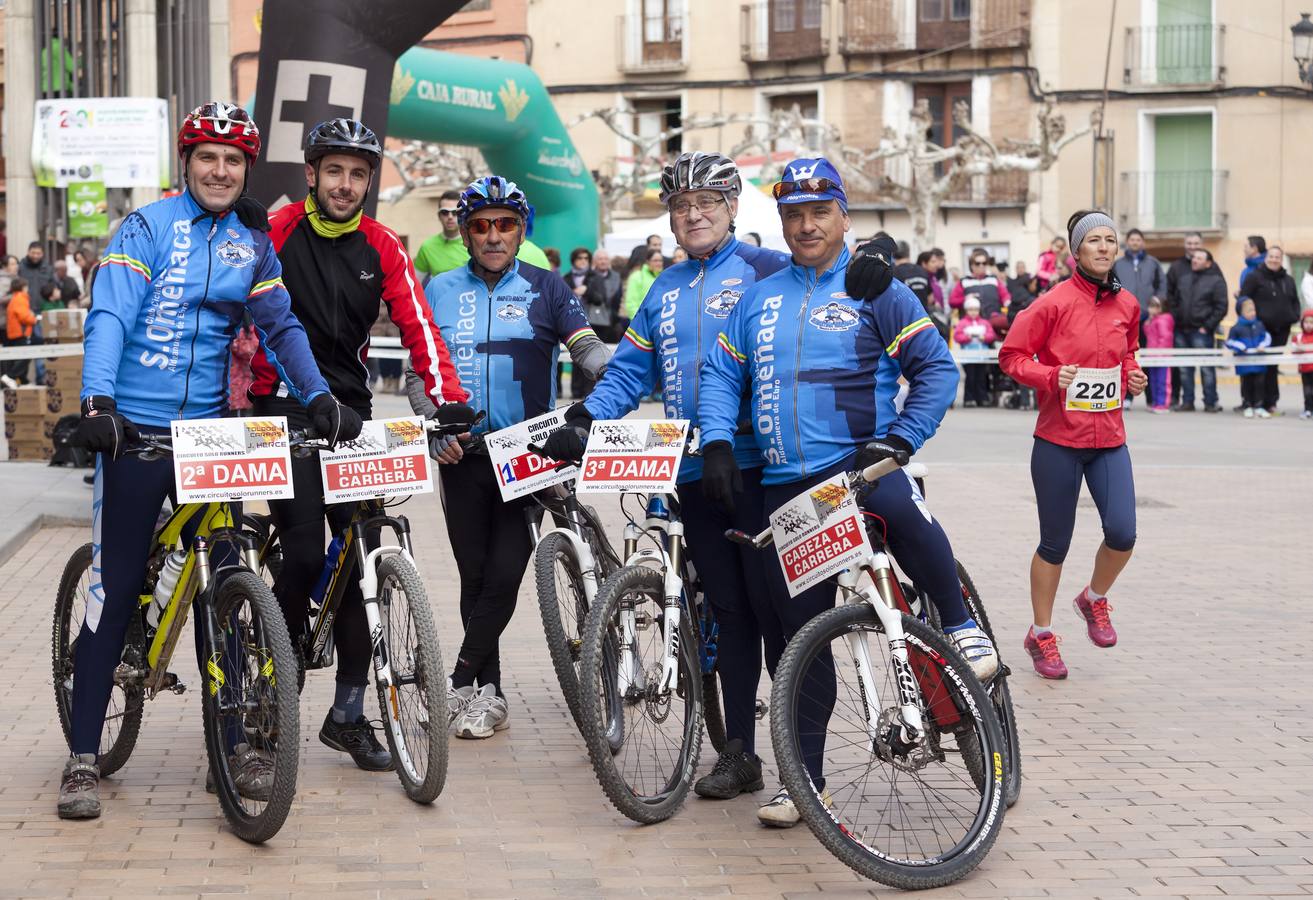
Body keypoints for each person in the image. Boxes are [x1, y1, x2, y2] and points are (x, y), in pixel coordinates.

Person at [539, 151, 896, 806]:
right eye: (680, 205)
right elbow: (627, 373)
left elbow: (826, 262)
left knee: (786, 620)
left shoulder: (764, 266)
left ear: (732, 209)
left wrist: (877, 249)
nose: (693, 214)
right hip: (699, 473)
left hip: (770, 471)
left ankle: (801, 764)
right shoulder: (663, 288)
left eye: (706, 202)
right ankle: (739, 751)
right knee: (731, 614)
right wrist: (587, 417)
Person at [57, 101, 358, 821]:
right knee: (118, 582)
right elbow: (110, 317)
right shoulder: (147, 228)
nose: (220, 170)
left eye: (233, 160)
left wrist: (315, 395)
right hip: (134, 432)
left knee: (231, 576)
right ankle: (82, 758)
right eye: (207, 157)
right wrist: (99, 405)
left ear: (245, 170)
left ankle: (239, 742)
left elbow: (279, 325)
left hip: (210, 437)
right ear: (185, 164)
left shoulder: (249, 244)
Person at [698, 157, 997, 827]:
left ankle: (958, 622)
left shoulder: (874, 287)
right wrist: (717, 439)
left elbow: (934, 370)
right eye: (793, 215)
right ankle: (804, 782)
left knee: (901, 509)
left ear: (843, 217)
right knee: (797, 641)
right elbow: (719, 375)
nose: (806, 225)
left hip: (861, 468)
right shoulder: (758, 298)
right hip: (786, 488)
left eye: (818, 212)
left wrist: (901, 439)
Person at [246, 117, 468, 772]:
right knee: (308, 549)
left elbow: (419, 326)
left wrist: (446, 400)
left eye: (359, 174)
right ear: (311, 174)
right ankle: (266, 699)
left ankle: (347, 713)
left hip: (350, 415)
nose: (345, 184)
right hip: (282, 406)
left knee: (362, 555)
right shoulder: (277, 232)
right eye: (334, 171)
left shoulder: (384, 246)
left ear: (370, 184)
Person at [408, 175, 608, 741]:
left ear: (523, 232)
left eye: (505, 225)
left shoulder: (548, 286)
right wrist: (430, 428)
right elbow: (422, 372)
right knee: (474, 576)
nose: (493, 236)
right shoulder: (439, 288)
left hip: (528, 451)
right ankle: (487, 696)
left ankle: (460, 680)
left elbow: (586, 347)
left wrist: (609, 377)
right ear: (465, 234)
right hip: (462, 452)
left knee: (505, 572)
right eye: (480, 226)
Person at [998, 210, 1147, 680]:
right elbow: (1010, 356)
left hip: (1109, 440)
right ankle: (1041, 634)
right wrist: (1048, 376)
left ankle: (1094, 598)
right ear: (1076, 251)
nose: (1104, 248)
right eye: (1094, 241)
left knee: (1123, 533)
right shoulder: (1051, 304)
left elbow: (1126, 354)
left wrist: (1132, 377)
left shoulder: (1128, 305)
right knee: (1054, 543)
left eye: (1110, 241)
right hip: (1058, 441)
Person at [1238, 245, 1300, 415]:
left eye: (1277, 257)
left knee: (1272, 367)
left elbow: (1295, 301)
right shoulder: (1254, 277)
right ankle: (1252, 402)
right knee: (1257, 367)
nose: (1274, 260)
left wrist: (1294, 316)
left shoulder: (1288, 280)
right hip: (1260, 330)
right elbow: (1244, 299)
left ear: (1281, 259)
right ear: (1266, 258)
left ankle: (1271, 403)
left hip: (1282, 329)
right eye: (1271, 256)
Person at [1171, 248, 1227, 413]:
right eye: (1194, 257)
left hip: (1201, 332)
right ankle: (1187, 402)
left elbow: (1221, 307)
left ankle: (1211, 402)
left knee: (1207, 369)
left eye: (1199, 258)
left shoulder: (1216, 281)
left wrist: (1207, 327)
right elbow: (1174, 300)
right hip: (1181, 330)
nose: (1194, 260)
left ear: (1208, 263)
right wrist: (1176, 318)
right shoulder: (1184, 278)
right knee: (1184, 369)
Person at [1225, 298, 1271, 419]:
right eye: (1249, 311)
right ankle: (1247, 406)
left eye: (1253, 310)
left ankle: (1259, 406)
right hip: (1244, 364)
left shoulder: (1259, 325)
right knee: (1247, 385)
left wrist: (1263, 345)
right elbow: (1229, 342)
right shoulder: (1236, 327)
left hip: (1259, 363)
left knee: (1260, 384)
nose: (1252, 313)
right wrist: (1240, 346)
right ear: (1241, 312)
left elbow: (1266, 337)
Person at [1111, 228, 1163, 331]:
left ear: (1143, 242)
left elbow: (1161, 284)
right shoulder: (1117, 264)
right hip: (1124, 314)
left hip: (1148, 315)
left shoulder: (1153, 263)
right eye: (1132, 240)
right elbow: (1112, 286)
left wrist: (1157, 304)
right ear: (1127, 242)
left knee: (1147, 346)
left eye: (1138, 240)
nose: (1135, 242)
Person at [563, 247, 596, 397]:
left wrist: (586, 291)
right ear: (573, 261)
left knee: (591, 357)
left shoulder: (594, 277)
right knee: (575, 355)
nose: (583, 261)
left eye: (585, 258)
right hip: (572, 321)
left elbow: (602, 298)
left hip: (593, 322)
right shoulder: (566, 277)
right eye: (579, 258)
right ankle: (575, 391)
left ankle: (589, 391)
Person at [412, 190, 467, 277]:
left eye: (454, 212)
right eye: (445, 212)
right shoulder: (427, 247)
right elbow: (415, 283)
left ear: (462, 215)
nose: (450, 217)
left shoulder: (473, 244)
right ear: (439, 216)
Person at [954, 295, 996, 407]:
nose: (973, 312)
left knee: (981, 377)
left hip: (982, 356)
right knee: (970, 377)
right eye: (971, 310)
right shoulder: (962, 323)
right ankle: (969, 398)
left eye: (975, 310)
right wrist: (967, 337)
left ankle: (982, 398)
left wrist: (985, 337)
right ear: (966, 310)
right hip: (968, 356)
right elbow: (957, 336)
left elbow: (991, 335)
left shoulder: (984, 322)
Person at [950, 249, 1010, 318]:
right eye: (977, 263)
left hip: (993, 323)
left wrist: (1009, 303)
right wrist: (965, 299)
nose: (981, 266)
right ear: (971, 265)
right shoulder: (964, 282)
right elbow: (952, 302)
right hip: (971, 325)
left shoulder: (994, 280)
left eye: (984, 263)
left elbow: (1005, 297)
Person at [581, 247, 622, 342]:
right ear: (594, 261)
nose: (603, 262)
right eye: (600, 259)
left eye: (606, 259)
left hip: (612, 322)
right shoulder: (588, 276)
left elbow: (618, 299)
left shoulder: (616, 276)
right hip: (593, 322)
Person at [1142, 297, 1174, 413]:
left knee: (1162, 381)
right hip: (1152, 356)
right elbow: (1148, 334)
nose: (1150, 309)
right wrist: (1148, 322)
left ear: (1161, 308)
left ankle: (1163, 404)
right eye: (1150, 306)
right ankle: (1156, 402)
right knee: (1153, 381)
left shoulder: (1164, 320)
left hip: (1161, 357)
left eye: (1154, 306)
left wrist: (1160, 354)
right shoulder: (1153, 319)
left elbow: (1165, 338)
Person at [2, 277, 35, 384]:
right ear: (23, 287)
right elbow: (24, 316)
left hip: (15, 333)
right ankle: (10, 376)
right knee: (26, 356)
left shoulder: (15, 298)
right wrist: (34, 319)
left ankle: (22, 380)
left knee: (19, 356)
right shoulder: (20, 298)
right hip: (21, 332)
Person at [623, 247, 662, 320]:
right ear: (648, 262)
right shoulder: (637, 276)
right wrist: (638, 321)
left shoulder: (663, 277)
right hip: (642, 322)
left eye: (660, 260)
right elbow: (631, 303)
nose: (658, 263)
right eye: (655, 260)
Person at [1292, 307, 1313, 419]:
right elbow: (1293, 352)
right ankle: (1308, 409)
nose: (1308, 325)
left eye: (1311, 322)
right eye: (1306, 322)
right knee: (1307, 390)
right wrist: (1298, 348)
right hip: (1305, 370)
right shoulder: (1299, 337)